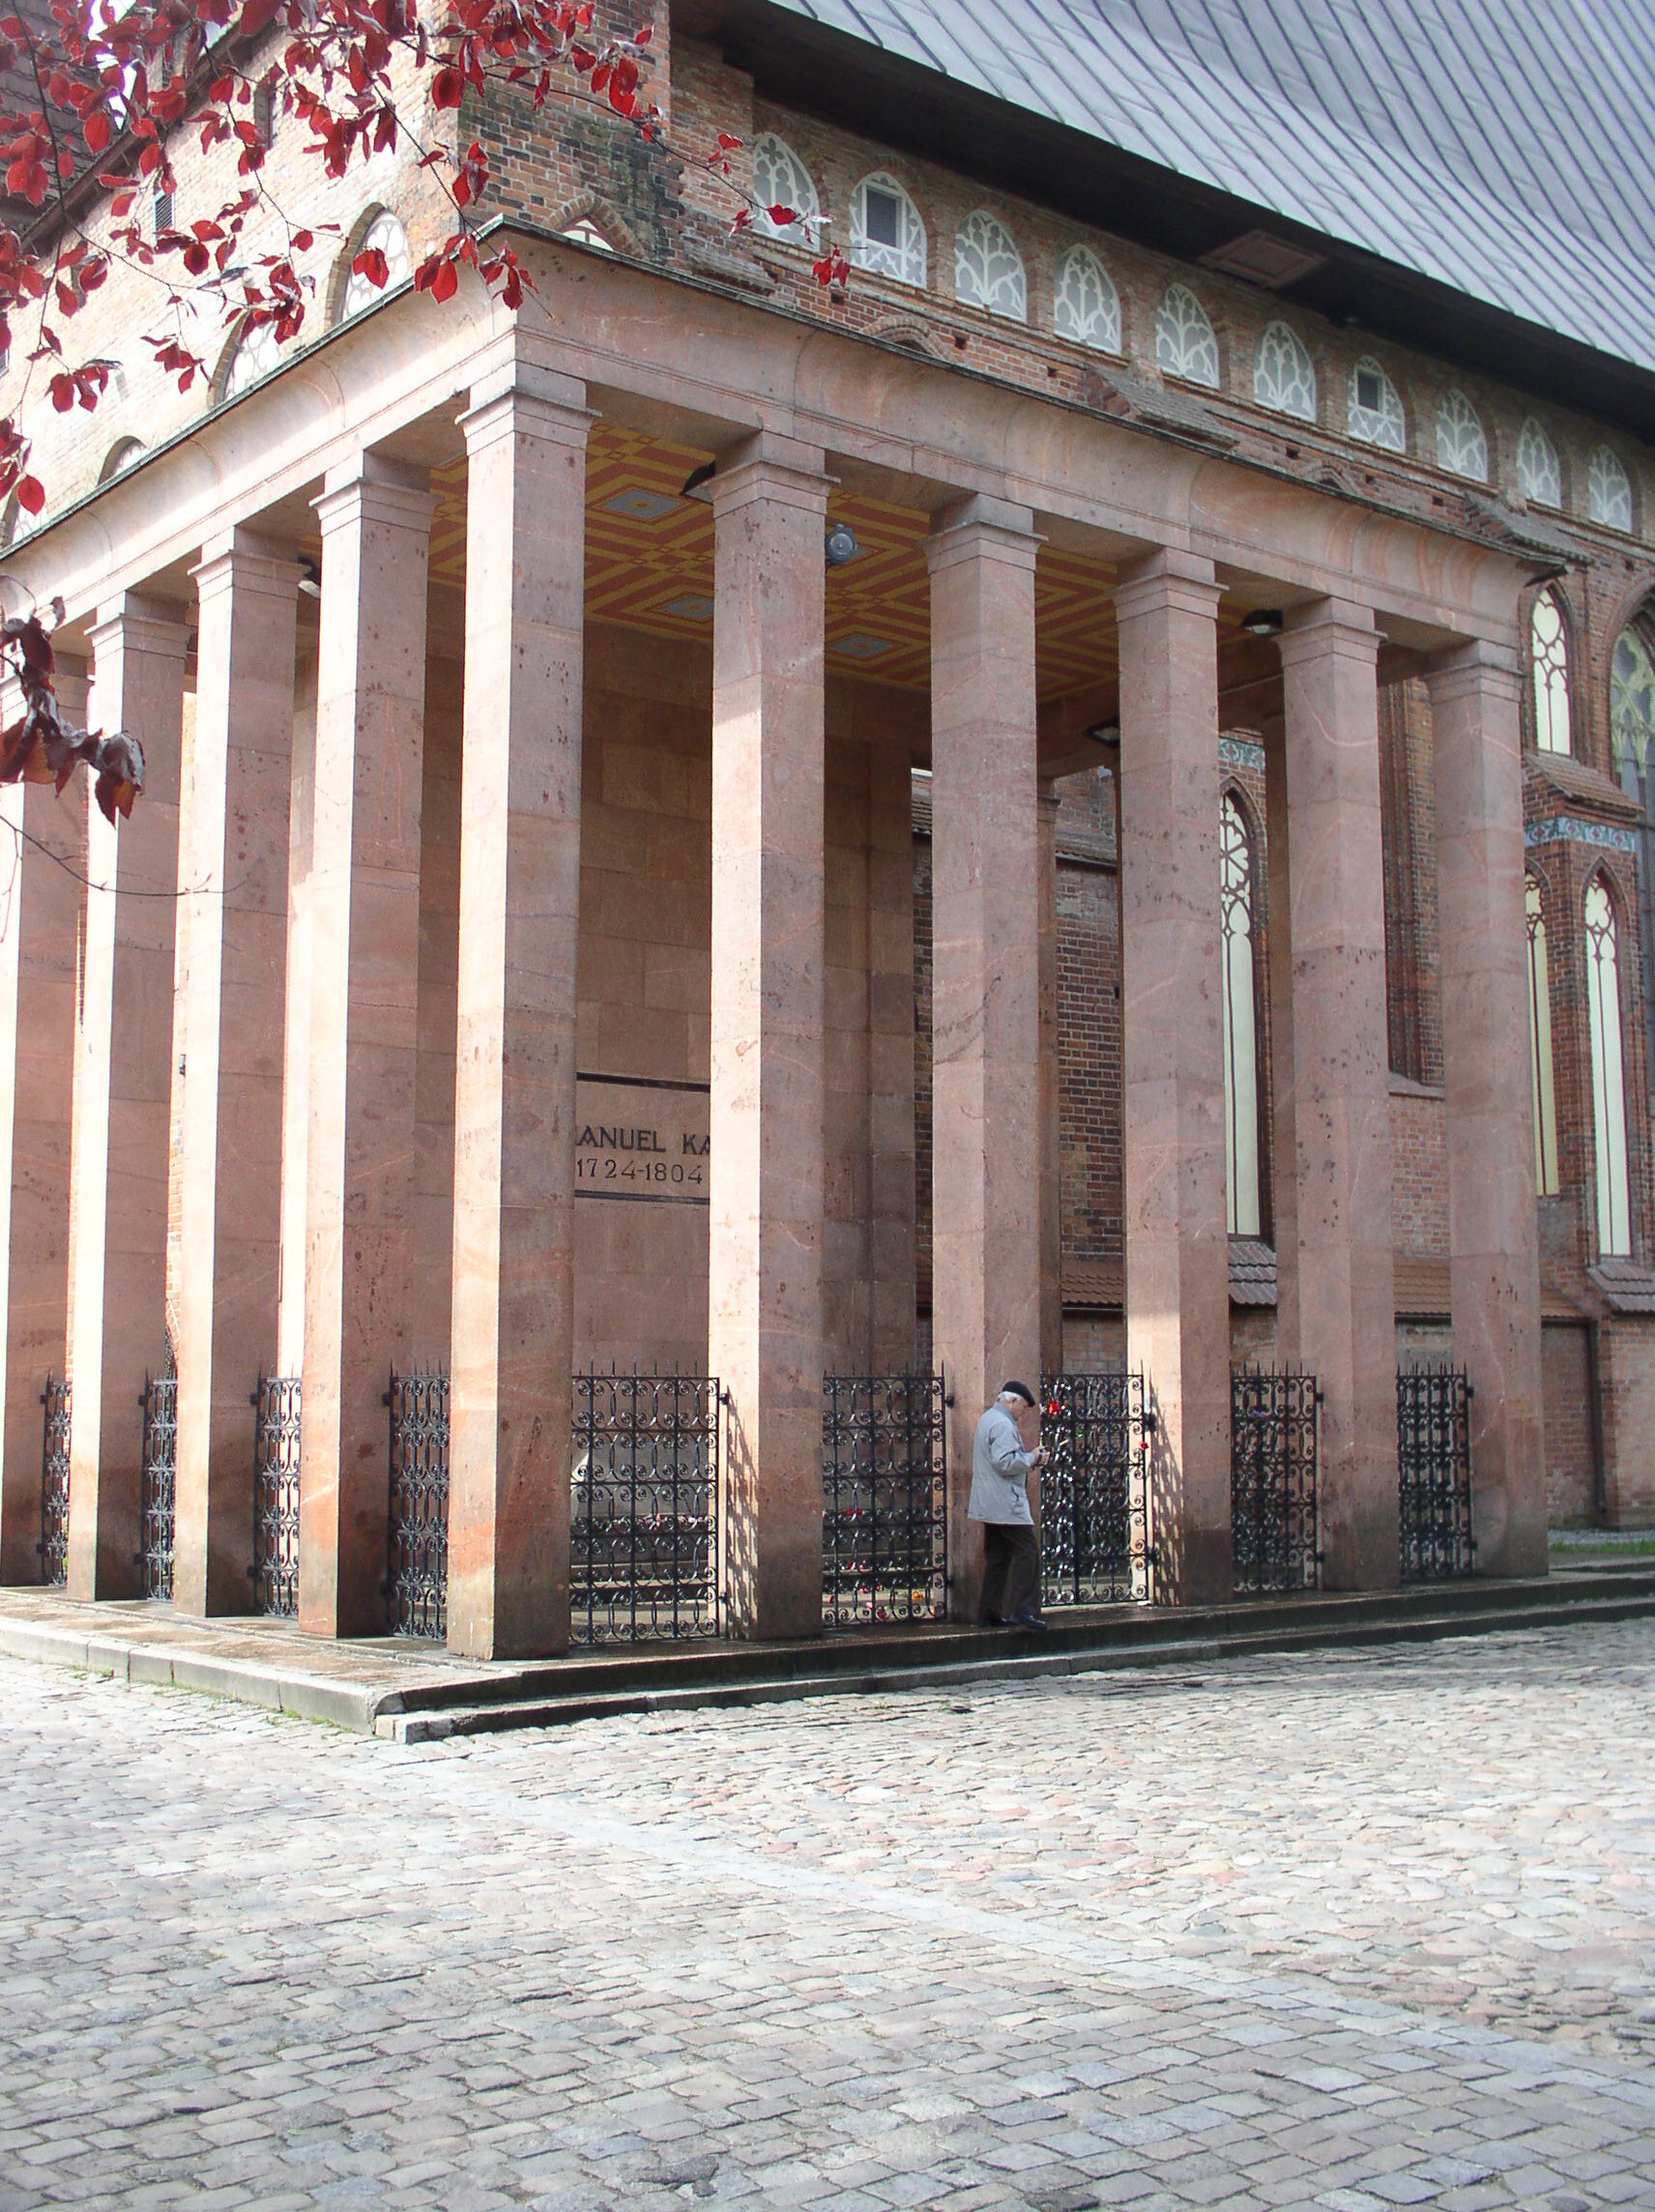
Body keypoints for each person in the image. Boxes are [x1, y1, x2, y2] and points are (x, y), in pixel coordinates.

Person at [968, 1382, 1047, 1630]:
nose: (1022, 1413)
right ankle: (1023, 1610)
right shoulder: (1002, 1424)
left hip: (990, 1501)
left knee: (999, 1557)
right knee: (1028, 1551)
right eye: (1022, 1408)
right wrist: (1032, 1457)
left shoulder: (988, 1419)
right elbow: (1005, 1463)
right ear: (1011, 1401)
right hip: (1005, 1502)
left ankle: (989, 1613)